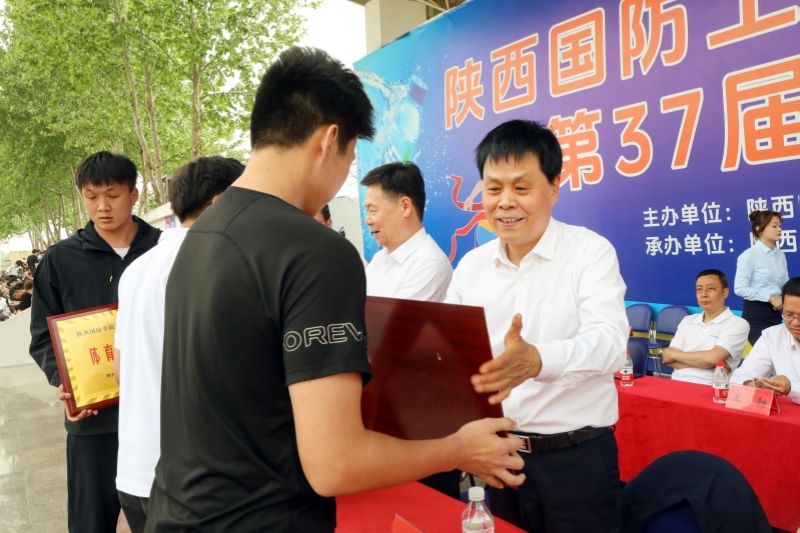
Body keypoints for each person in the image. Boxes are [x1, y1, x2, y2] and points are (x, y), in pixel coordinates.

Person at [145, 47, 524, 533]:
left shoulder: (200, 235)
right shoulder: (314, 251)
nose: (345, 177)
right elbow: (335, 464)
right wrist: (459, 448)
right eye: (350, 157)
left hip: (176, 512)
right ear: (329, 141)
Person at [446, 119, 628, 532]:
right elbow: (452, 354)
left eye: (521, 188)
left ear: (553, 187)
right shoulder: (471, 267)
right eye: (494, 189)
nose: (505, 203)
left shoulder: (589, 252)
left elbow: (610, 343)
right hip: (501, 458)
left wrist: (539, 360)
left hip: (577, 462)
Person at [29, 151, 161, 533]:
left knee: (164, 519)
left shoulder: (163, 250)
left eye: (112, 195)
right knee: (90, 522)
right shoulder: (60, 259)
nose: (102, 206)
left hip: (159, 417)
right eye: (91, 196)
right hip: (94, 420)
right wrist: (64, 382)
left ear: (134, 195)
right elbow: (42, 335)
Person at [113, 156, 244, 533]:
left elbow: (120, 370)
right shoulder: (222, 263)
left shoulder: (136, 270)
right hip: (197, 481)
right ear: (220, 203)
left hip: (135, 472)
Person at [362, 162, 452, 303]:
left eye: (373, 211)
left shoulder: (430, 264)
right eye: (367, 211)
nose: (367, 220)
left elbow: (390, 318)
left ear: (405, 207)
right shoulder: (379, 259)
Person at [661, 269, 749, 383]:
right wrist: (708, 365)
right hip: (677, 382)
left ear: (725, 292)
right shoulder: (688, 320)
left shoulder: (738, 324)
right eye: (699, 289)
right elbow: (668, 357)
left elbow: (712, 358)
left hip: (712, 387)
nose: (704, 294)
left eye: (710, 288)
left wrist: (709, 361)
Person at [731, 277, 800, 404]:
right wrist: (754, 384)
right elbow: (741, 375)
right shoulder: (772, 336)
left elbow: (790, 389)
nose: (795, 323)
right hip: (786, 413)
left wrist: (792, 388)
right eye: (789, 315)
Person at [734, 210, 789, 345]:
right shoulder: (749, 256)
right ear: (759, 229)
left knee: (779, 352)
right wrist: (770, 298)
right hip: (756, 315)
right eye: (774, 226)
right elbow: (740, 288)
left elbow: (784, 284)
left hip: (776, 313)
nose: (779, 229)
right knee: (767, 353)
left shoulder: (780, 255)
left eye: (780, 226)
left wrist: (783, 298)